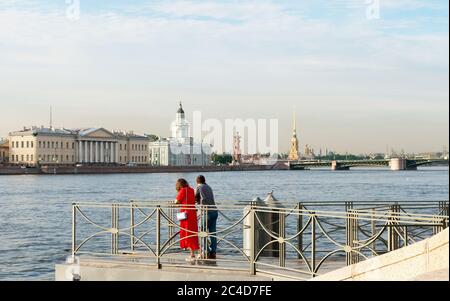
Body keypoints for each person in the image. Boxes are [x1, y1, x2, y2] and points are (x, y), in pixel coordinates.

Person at [175, 178, 200, 262]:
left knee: (187, 233)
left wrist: (175, 201)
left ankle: (192, 254)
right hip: (192, 213)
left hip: (186, 215)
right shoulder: (191, 190)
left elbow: (177, 201)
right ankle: (197, 252)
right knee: (193, 233)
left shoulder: (182, 190)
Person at [195, 175, 218, 260]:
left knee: (202, 231)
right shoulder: (209, 187)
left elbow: (195, 198)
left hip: (206, 212)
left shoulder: (199, 187)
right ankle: (213, 252)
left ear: (197, 182)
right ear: (205, 180)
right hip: (214, 211)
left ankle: (205, 252)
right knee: (213, 233)